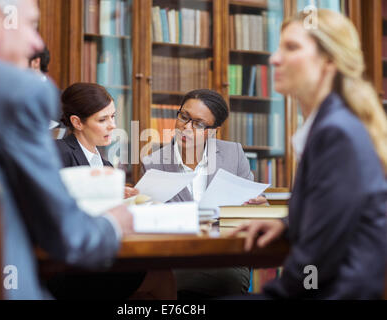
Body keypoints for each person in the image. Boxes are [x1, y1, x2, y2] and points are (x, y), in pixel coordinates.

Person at [0, 0, 134, 299]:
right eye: (31, 24)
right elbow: (69, 237)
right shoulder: (17, 90)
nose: (37, 42)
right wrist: (115, 223)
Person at [233, 9, 387, 299]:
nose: (274, 58)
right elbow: (335, 215)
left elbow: (313, 267)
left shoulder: (336, 134)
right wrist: (287, 224)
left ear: (329, 61)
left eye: (291, 48)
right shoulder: (333, 124)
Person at [48, 82, 176, 299]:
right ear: (77, 122)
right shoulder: (59, 152)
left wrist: (126, 200)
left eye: (113, 116)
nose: (112, 126)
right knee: (161, 275)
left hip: (104, 253)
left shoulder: (106, 165)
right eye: (102, 119)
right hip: (72, 265)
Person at [142, 89, 267, 299]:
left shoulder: (233, 154)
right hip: (175, 257)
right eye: (183, 117)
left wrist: (259, 207)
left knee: (228, 280)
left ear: (213, 130)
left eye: (198, 124)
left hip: (225, 255)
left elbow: (251, 211)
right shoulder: (153, 163)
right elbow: (149, 222)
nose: (186, 128)